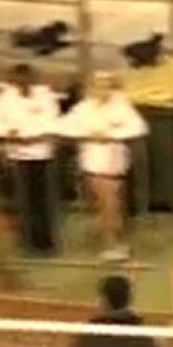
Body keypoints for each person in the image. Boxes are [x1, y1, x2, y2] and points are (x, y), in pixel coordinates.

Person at [56, 72, 148, 262]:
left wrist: (111, 134)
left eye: (106, 85)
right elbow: (63, 127)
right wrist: (90, 134)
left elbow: (138, 127)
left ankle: (109, 239)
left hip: (117, 165)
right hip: (95, 165)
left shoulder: (121, 106)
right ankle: (109, 243)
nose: (102, 89)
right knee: (109, 205)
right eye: (98, 85)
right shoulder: (83, 108)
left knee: (112, 206)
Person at [0, 63, 61, 255]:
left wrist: (33, 136)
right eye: (18, 80)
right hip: (17, 155)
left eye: (26, 79)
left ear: (33, 79)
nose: (22, 84)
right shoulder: (5, 98)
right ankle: (27, 242)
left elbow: (52, 121)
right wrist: (9, 134)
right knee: (23, 201)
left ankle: (46, 243)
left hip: (42, 154)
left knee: (43, 201)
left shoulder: (46, 97)